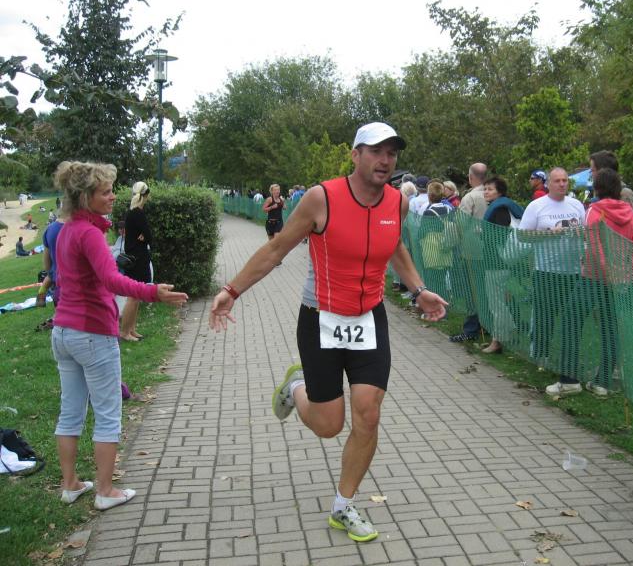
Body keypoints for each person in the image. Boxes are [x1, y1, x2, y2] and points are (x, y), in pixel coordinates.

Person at [208, 122, 447, 543]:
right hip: (321, 318)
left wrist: (419, 290)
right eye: (376, 151)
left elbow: (394, 247)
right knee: (328, 425)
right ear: (355, 155)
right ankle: (296, 387)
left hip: (369, 319)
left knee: (368, 413)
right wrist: (232, 290)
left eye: (392, 153)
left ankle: (343, 505)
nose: (385, 160)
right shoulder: (323, 198)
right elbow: (277, 248)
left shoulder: (398, 202)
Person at [51, 161, 186, 511]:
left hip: (63, 332)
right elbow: (112, 280)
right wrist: (152, 291)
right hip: (91, 334)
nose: (113, 197)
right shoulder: (89, 233)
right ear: (85, 197)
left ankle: (70, 484)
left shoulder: (67, 230)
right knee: (108, 413)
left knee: (70, 410)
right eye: (106, 192)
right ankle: (105, 491)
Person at [547, 168, 633, 397]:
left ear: (597, 188)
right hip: (618, 282)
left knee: (571, 321)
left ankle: (569, 380)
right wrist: (626, 276)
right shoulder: (632, 215)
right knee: (610, 328)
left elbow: (595, 246)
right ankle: (602, 382)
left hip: (593, 278)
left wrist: (608, 272)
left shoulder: (595, 211)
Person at [519, 167, 586, 366]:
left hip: (573, 271)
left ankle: (569, 358)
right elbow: (522, 235)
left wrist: (580, 233)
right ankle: (541, 355)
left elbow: (586, 231)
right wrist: (550, 233)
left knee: (572, 317)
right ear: (548, 183)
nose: (562, 184)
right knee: (545, 316)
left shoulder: (576, 205)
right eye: (557, 181)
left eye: (565, 180)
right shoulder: (537, 206)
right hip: (546, 270)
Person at [481, 177, 524, 354]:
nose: (486, 192)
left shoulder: (499, 209)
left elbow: (500, 235)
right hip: (503, 262)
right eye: (485, 189)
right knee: (500, 301)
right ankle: (510, 331)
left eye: (490, 189)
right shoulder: (506, 206)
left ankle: (498, 340)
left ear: (499, 192)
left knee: (496, 304)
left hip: (496, 263)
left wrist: (482, 234)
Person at [449, 162, 489, 343]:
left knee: (472, 291)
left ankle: (471, 328)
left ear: (471, 177)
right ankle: (486, 324)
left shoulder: (470, 197)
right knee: (486, 290)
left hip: (472, 251)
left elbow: (461, 224)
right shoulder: (492, 194)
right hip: (490, 250)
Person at [120, 182, 153, 342]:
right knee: (133, 297)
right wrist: (144, 236)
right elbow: (149, 235)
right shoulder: (137, 213)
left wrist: (143, 236)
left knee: (136, 296)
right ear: (146, 195)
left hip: (136, 257)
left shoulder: (133, 212)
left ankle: (131, 329)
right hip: (137, 259)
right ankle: (125, 332)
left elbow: (144, 234)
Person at [37, 217, 65, 307]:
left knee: (48, 277)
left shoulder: (50, 229)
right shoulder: (86, 228)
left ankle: (40, 296)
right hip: (82, 293)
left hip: (59, 288)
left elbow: (47, 265)